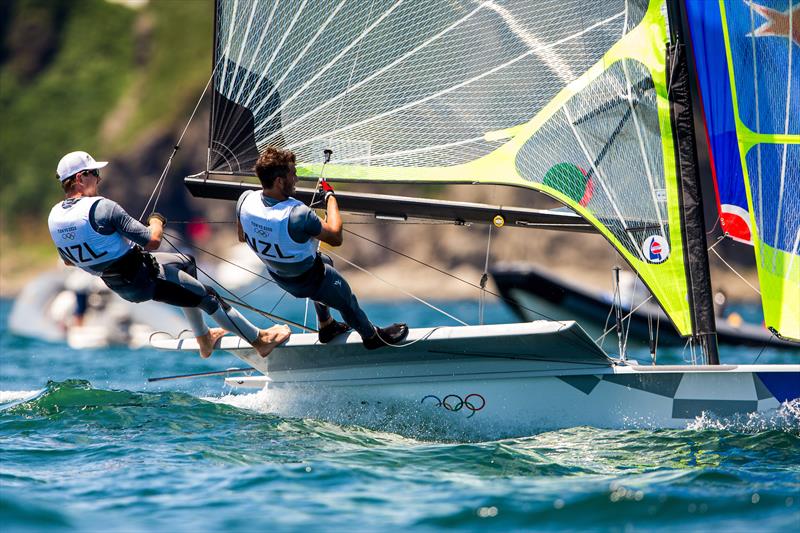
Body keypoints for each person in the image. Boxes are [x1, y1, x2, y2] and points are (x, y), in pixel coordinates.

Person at [47, 150, 290, 358]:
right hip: (146, 278)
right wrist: (156, 221)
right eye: (95, 174)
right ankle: (260, 341)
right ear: (80, 178)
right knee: (209, 298)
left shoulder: (55, 217)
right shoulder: (102, 208)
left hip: (120, 283)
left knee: (186, 262)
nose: (99, 180)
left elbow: (69, 260)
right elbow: (153, 241)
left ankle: (203, 337)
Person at [237, 147, 408, 349]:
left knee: (325, 261)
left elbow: (242, 237)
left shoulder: (245, 200)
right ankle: (372, 337)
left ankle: (326, 325)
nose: (297, 179)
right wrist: (330, 196)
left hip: (279, 277)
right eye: (293, 174)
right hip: (310, 280)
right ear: (279, 181)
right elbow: (336, 237)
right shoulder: (297, 214)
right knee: (346, 301)